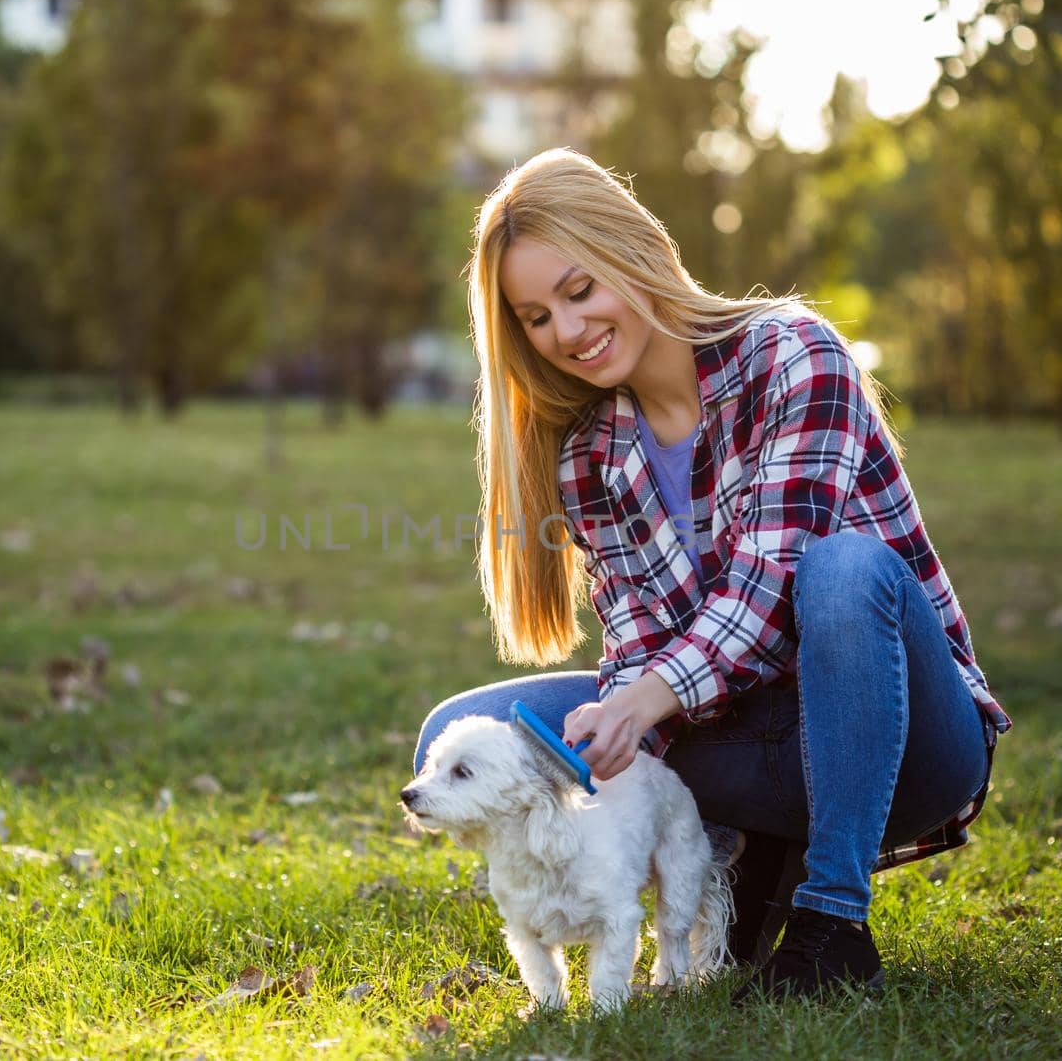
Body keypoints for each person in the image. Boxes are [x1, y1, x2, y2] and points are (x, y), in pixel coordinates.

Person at [413, 148, 1011, 1001]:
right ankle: (740, 860)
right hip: (751, 740)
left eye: (580, 290)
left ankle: (830, 920)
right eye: (537, 316)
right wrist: (611, 739)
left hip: (905, 739)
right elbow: (640, 645)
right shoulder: (591, 454)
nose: (568, 332)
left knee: (844, 571)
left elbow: (769, 591)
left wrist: (646, 698)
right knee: (472, 728)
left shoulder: (794, 356)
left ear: (638, 252)